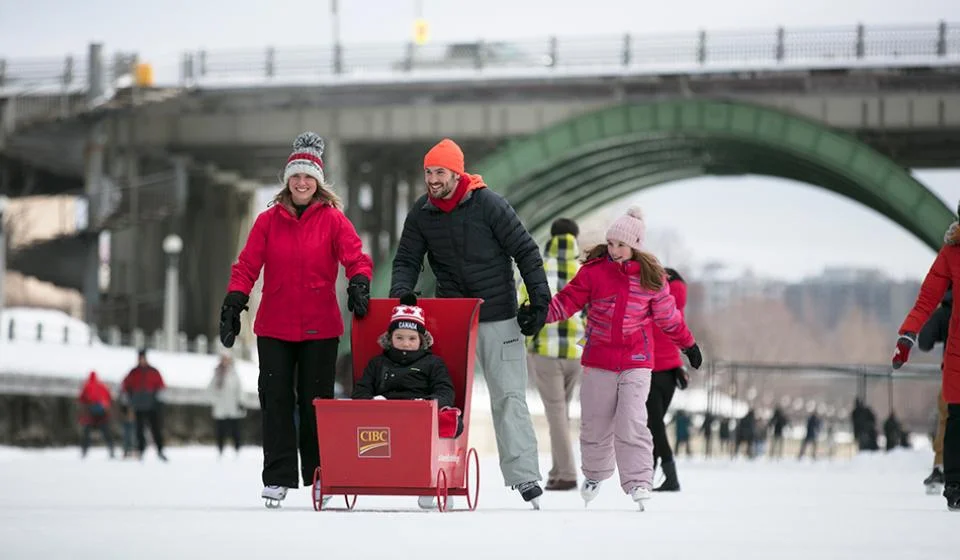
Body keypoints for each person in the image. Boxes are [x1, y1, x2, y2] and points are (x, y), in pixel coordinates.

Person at [390, 137, 550, 507]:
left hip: (498, 314)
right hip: (453, 316)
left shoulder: (489, 205)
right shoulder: (422, 212)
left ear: (456, 172)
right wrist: (402, 292)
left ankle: (525, 477)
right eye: (428, 172)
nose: (432, 179)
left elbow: (526, 250)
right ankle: (434, 474)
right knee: (443, 399)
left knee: (509, 396)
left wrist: (539, 299)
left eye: (439, 172)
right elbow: (406, 259)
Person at [219, 131, 373, 508]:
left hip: (320, 328)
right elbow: (247, 265)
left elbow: (357, 257)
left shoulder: (334, 221)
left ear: (318, 182)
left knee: (316, 402)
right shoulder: (268, 222)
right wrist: (234, 301)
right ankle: (277, 476)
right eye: (296, 176)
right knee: (275, 400)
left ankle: (321, 473)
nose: (302, 182)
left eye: (309, 177)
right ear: (287, 180)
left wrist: (359, 284)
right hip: (274, 327)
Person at [536, 206, 702, 510]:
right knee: (595, 423)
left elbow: (669, 318)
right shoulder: (594, 271)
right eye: (611, 244)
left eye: (620, 245)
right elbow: (568, 300)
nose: (614, 250)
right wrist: (540, 315)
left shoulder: (652, 279)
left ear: (635, 245)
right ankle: (596, 474)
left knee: (633, 421)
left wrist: (688, 345)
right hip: (599, 358)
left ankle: (640, 480)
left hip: (637, 360)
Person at [352, 294, 461, 509]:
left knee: (436, 422)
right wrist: (372, 402)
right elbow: (361, 390)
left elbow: (445, 390)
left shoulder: (433, 363)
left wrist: (428, 404)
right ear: (390, 338)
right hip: (385, 416)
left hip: (419, 415)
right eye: (399, 337)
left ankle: (429, 481)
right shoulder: (378, 364)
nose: (405, 343)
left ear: (421, 340)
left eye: (412, 338)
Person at [891, 216, 960, 511]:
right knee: (956, 418)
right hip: (958, 357)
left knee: (954, 419)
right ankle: (955, 484)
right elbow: (926, 299)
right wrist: (908, 334)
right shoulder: (952, 252)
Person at [520, 218, 584, 491]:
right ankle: (558, 470)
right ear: (575, 238)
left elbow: (524, 302)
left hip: (546, 351)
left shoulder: (540, 269)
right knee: (562, 413)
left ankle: (568, 473)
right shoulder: (583, 271)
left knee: (556, 413)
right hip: (575, 352)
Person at [645, 266, 689, 492]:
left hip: (652, 371)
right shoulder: (677, 313)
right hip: (670, 374)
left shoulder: (654, 308)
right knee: (654, 425)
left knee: (654, 425)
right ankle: (647, 476)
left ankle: (670, 476)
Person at [918, 289, 951, 494]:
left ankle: (940, 466)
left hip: (953, 375)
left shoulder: (945, 313)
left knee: (947, 418)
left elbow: (924, 342)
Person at [121, 349, 167, 461]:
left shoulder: (153, 371)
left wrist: (158, 400)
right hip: (138, 406)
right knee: (139, 430)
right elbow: (125, 387)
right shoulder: (133, 372)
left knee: (155, 429)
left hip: (152, 405)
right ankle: (141, 450)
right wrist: (129, 401)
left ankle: (160, 450)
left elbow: (161, 386)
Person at [208, 352, 245, 457]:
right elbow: (210, 390)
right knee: (221, 430)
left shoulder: (234, 373)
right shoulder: (216, 373)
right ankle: (220, 449)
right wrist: (215, 401)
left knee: (235, 429)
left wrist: (241, 401)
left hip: (233, 406)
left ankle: (237, 449)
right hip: (221, 406)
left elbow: (240, 389)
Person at [78, 371, 115, 459]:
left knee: (86, 432)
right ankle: (111, 449)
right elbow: (109, 398)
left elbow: (81, 398)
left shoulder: (86, 385)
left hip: (90, 413)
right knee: (106, 432)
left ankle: (84, 451)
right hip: (102, 413)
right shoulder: (102, 386)